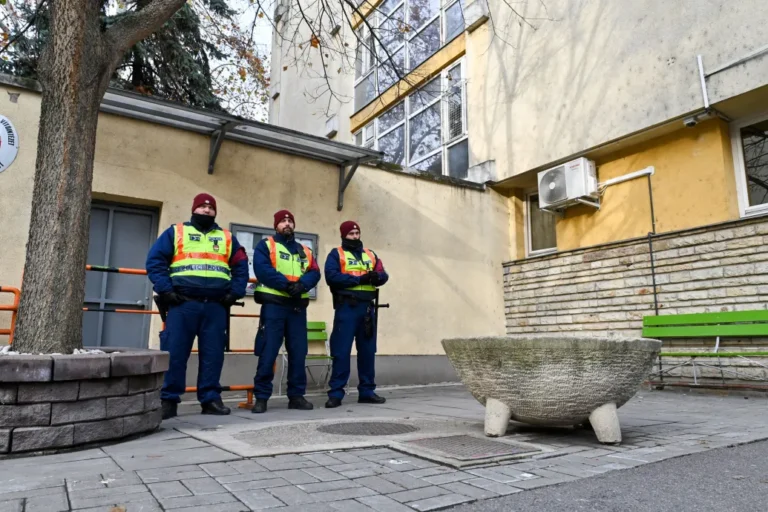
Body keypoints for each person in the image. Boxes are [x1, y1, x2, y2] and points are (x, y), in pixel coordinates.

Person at [146, 193, 249, 420]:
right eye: (202, 207)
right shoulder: (176, 232)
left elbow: (241, 267)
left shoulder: (227, 238)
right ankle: (168, 400)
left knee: (213, 355)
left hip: (216, 306)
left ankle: (210, 399)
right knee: (175, 353)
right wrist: (166, 290)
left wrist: (234, 293)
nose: (206, 210)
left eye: (210, 208)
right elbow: (155, 261)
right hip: (182, 304)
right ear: (194, 209)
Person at [251, 210, 321, 413]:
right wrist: (288, 285)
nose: (287, 223)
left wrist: (302, 285)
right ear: (276, 226)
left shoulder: (304, 250)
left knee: (298, 353)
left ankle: (296, 396)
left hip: (297, 308)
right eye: (283, 221)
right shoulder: (266, 245)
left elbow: (315, 272)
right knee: (268, 351)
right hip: (274, 306)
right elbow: (263, 269)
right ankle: (261, 397)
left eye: (290, 220)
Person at [324, 221, 389, 408]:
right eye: (351, 233)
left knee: (368, 351)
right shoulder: (336, 254)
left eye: (357, 233)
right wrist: (360, 279)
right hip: (347, 307)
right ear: (343, 235)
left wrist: (378, 277)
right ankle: (336, 393)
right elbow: (332, 277)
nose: (355, 236)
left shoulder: (370, 254)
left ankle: (367, 392)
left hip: (367, 308)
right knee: (341, 351)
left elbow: (383, 274)